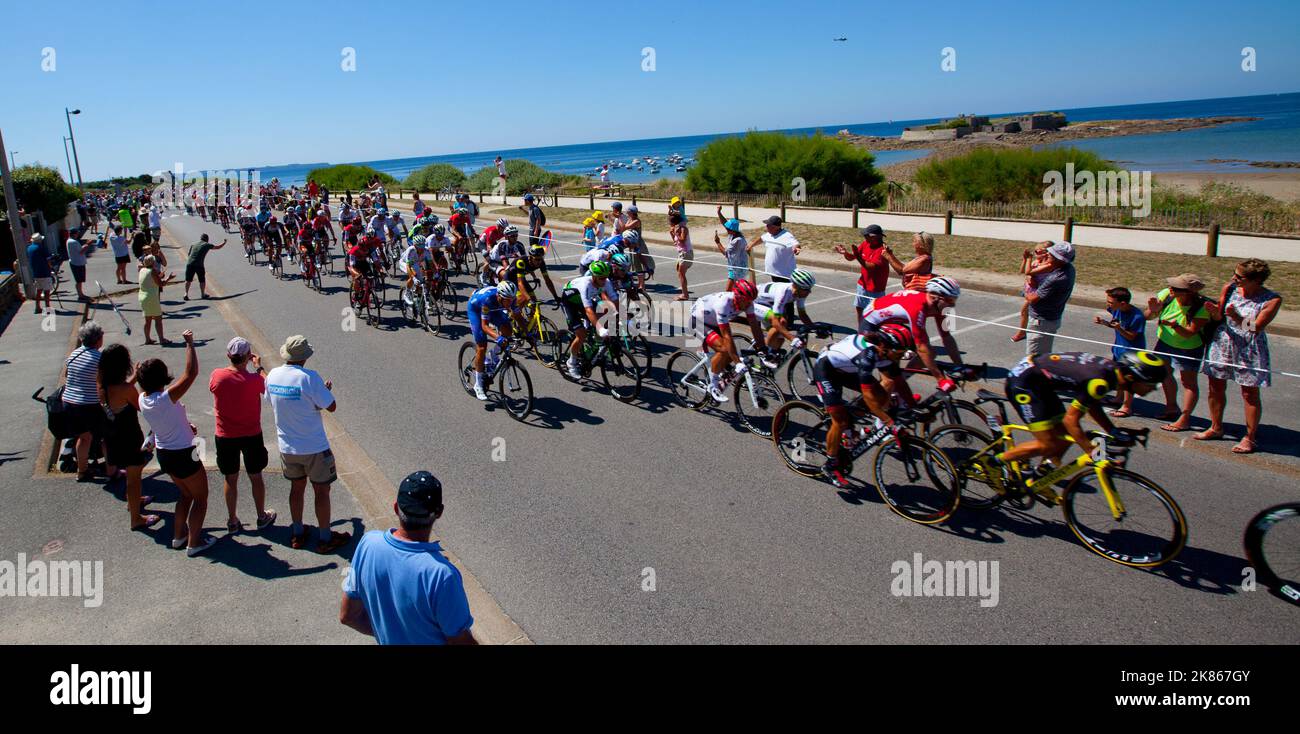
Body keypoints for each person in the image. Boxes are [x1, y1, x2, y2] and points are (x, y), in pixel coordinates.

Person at [339, 471, 476, 645]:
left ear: (396, 508)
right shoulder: (442, 575)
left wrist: (392, 633)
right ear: (439, 512)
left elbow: (347, 616)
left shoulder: (368, 544)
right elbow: (461, 642)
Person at [996, 351, 1168, 488]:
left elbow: (1091, 404)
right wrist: (1092, 452)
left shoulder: (1112, 374)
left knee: (1065, 438)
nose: (1152, 389)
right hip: (1024, 383)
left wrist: (1113, 431)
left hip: (1041, 383)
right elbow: (1071, 420)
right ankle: (996, 461)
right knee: (1048, 443)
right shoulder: (1099, 381)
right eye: (1149, 384)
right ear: (1131, 377)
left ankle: (1037, 474)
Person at [266, 335, 351, 553]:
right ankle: (324, 538)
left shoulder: (273, 375)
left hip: (287, 447)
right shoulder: (309, 378)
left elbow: (275, 400)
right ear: (304, 358)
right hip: (313, 447)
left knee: (296, 488)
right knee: (321, 491)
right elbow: (331, 406)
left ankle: (297, 532)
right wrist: (324, 391)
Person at [137, 330, 218, 557]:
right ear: (162, 378)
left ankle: (179, 536)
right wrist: (190, 344)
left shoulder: (142, 400)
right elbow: (191, 373)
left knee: (185, 495)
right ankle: (194, 542)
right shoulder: (165, 398)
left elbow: (167, 419)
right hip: (184, 453)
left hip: (164, 454)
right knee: (201, 499)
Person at [813, 323, 920, 488]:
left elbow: (899, 382)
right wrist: (889, 422)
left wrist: (913, 407)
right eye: (899, 352)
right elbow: (868, 396)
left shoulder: (885, 353)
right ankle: (830, 465)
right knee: (839, 421)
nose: (902, 357)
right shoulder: (867, 355)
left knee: (883, 395)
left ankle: (851, 421)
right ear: (885, 346)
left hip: (846, 369)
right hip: (826, 369)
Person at [1197, 258, 1282, 454]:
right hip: (1224, 341)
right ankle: (1215, 427)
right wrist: (1214, 313)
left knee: (1249, 393)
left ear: (1256, 280)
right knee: (1215, 385)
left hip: (1249, 347)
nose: (1234, 278)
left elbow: (1257, 328)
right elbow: (1220, 317)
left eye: (1240, 277)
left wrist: (1237, 318)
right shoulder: (1229, 288)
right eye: (1234, 274)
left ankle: (1250, 437)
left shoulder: (1271, 299)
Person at [210, 337, 276, 534]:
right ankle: (261, 516)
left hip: (225, 435)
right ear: (248, 357)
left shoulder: (217, 376)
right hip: (251, 434)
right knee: (255, 476)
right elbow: (269, 386)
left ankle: (232, 520)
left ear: (228, 356)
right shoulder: (255, 380)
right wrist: (258, 367)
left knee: (230, 478)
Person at [860, 277, 970, 387]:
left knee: (930, 352)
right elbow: (921, 348)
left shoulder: (940, 307)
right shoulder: (917, 308)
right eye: (950, 300)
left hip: (891, 320)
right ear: (934, 298)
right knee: (891, 374)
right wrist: (940, 379)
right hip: (872, 323)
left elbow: (947, 337)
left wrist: (960, 367)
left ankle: (900, 384)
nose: (953, 305)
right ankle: (885, 394)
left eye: (954, 300)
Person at [98, 343, 161, 531]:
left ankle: (134, 500)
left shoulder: (102, 385)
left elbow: (122, 389)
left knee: (131, 473)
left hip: (113, 436)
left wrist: (133, 376)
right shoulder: (126, 390)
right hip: (130, 437)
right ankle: (136, 517)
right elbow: (142, 406)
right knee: (134, 478)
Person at [1146, 273, 1211, 432]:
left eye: (1176, 287)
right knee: (1164, 374)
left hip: (1188, 348)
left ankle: (1184, 418)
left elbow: (1190, 332)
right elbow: (1146, 316)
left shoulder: (1202, 307)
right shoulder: (1167, 295)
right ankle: (1171, 408)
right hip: (1164, 342)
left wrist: (1175, 326)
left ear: (1189, 292)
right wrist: (1153, 311)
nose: (1170, 289)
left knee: (1188, 383)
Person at [688, 281, 767, 402]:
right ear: (738, 297)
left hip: (712, 321)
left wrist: (763, 349)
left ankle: (716, 367)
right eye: (747, 301)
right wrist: (737, 362)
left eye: (752, 300)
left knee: (730, 354)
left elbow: (755, 328)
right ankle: (713, 387)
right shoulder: (723, 304)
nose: (749, 304)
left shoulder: (748, 303)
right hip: (698, 321)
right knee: (725, 350)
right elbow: (727, 335)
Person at [64, 321, 108, 482]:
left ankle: (82, 471)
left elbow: (67, 375)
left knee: (84, 438)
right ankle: (113, 469)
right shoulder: (99, 357)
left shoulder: (74, 354)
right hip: (88, 404)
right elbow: (107, 381)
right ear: (98, 339)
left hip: (69, 402)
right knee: (106, 436)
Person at [560, 264, 619, 380]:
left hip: (583, 301)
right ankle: (571, 362)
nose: (604, 280)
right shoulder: (586, 285)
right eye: (601, 278)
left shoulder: (606, 281)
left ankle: (598, 344)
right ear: (594, 276)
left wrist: (622, 318)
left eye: (606, 277)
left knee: (605, 313)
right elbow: (588, 310)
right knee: (581, 334)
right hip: (570, 303)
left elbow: (615, 301)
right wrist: (600, 328)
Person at [1094, 287, 1147, 418]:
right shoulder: (1116, 310)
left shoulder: (1137, 316)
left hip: (1131, 352)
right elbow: (1115, 324)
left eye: (1111, 302)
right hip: (1119, 348)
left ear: (1122, 303)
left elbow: (1131, 336)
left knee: (1129, 379)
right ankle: (1118, 398)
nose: (1108, 305)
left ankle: (1127, 406)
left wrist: (1119, 328)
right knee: (1119, 376)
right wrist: (1104, 323)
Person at [1022, 240, 1076, 356]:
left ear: (1059, 259)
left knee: (1035, 358)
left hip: (1041, 322)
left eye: (1050, 254)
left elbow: (1032, 298)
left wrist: (1025, 292)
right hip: (1051, 318)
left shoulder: (1056, 278)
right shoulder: (1069, 269)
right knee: (1042, 355)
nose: (1046, 254)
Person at [467, 282, 519, 400]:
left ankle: (491, 357)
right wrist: (498, 337)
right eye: (507, 300)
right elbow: (485, 326)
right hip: (476, 309)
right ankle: (478, 384)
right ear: (499, 296)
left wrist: (527, 334)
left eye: (512, 299)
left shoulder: (511, 298)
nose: (510, 303)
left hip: (495, 309)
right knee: (481, 347)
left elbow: (518, 316)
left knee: (508, 331)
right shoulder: (487, 300)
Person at [835, 224, 890, 319]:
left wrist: (858, 256)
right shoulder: (865, 244)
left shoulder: (883, 250)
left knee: (875, 314)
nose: (864, 238)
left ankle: (874, 332)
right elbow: (852, 257)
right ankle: (861, 330)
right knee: (859, 308)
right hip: (862, 285)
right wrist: (845, 253)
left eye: (866, 236)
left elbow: (871, 267)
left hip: (875, 289)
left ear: (874, 237)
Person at [1010, 242, 1055, 342]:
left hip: (1036, 293)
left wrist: (1029, 271)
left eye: (1039, 251)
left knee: (1025, 311)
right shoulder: (1036, 262)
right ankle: (1025, 331)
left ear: (1047, 253)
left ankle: (1022, 333)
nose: (1036, 253)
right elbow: (1023, 271)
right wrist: (1025, 259)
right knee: (1026, 312)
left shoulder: (1047, 265)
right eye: (1035, 251)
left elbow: (1029, 272)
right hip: (1029, 291)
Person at [714, 209, 751, 293]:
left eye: (728, 228)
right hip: (737, 267)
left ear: (732, 229)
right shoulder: (734, 234)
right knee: (735, 290)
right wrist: (719, 213)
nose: (726, 229)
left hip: (736, 269)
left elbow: (726, 253)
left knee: (728, 290)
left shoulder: (737, 241)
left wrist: (718, 242)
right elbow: (724, 223)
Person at [138, 255, 173, 345]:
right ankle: (161, 339)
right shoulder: (152, 271)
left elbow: (150, 280)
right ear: (152, 262)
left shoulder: (142, 270)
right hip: (151, 297)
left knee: (147, 319)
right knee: (158, 319)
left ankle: (147, 339)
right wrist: (169, 278)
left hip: (142, 296)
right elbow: (161, 283)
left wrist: (159, 276)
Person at [757, 215, 800, 283]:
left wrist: (796, 249)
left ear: (776, 227)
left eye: (768, 225)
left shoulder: (787, 236)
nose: (766, 227)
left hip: (784, 275)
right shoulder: (769, 234)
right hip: (774, 272)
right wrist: (751, 245)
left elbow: (795, 244)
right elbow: (761, 239)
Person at [184, 234, 224, 300]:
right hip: (199, 265)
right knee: (202, 280)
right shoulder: (206, 244)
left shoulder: (194, 244)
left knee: (188, 280)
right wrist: (224, 242)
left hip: (189, 263)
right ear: (207, 240)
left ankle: (186, 294)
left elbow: (189, 254)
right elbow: (218, 247)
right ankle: (202, 294)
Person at [26, 234, 53, 314]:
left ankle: (37, 307)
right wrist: (51, 267)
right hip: (44, 272)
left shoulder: (29, 248)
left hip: (36, 272)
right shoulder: (41, 248)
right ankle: (47, 308)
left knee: (39, 291)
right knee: (47, 291)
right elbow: (48, 260)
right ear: (39, 240)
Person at [669, 212, 693, 300]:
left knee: (681, 274)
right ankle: (684, 291)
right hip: (681, 253)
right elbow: (676, 242)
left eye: (670, 223)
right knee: (680, 274)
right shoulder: (677, 229)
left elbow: (682, 240)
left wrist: (676, 234)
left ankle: (685, 294)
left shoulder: (683, 229)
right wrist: (672, 234)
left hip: (686, 253)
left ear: (673, 222)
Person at [65, 231, 91, 301]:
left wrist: (85, 245)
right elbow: (81, 252)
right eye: (77, 233)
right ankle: (80, 295)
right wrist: (87, 245)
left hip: (75, 262)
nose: (78, 234)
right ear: (74, 234)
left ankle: (81, 294)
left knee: (79, 280)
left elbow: (78, 250)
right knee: (79, 280)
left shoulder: (69, 241)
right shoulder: (74, 242)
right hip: (77, 263)